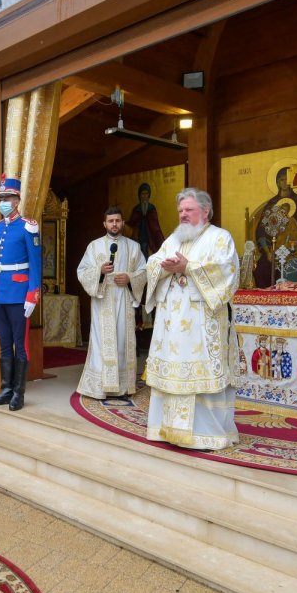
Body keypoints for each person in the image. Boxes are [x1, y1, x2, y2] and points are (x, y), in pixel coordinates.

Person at [143, 188, 240, 450]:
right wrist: (162, 268)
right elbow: (152, 263)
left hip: (201, 322)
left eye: (189, 210)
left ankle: (206, 434)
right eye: (180, 211)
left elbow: (227, 272)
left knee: (202, 374)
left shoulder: (221, 238)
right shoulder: (173, 239)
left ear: (205, 212)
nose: (183, 215)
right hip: (170, 324)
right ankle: (166, 429)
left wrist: (188, 267)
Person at [0, 175, 41, 412]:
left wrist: (32, 295)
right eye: (1, 198)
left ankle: (19, 393)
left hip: (19, 294)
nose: (2, 202)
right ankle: (6, 390)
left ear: (16, 200)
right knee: (4, 343)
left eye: (7, 198)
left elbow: (35, 264)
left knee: (20, 345)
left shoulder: (28, 226)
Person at [76, 207, 147, 399]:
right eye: (110, 221)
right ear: (104, 224)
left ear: (123, 223)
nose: (114, 224)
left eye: (117, 220)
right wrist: (99, 271)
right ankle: (101, 387)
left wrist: (130, 278)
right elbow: (82, 271)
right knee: (102, 343)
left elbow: (144, 271)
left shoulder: (134, 247)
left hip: (124, 298)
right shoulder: (94, 246)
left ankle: (123, 387)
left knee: (123, 341)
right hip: (103, 299)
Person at [127, 183, 165, 258]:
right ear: (139, 195)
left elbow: (155, 225)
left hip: (149, 235)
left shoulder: (151, 208)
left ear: (149, 195)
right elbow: (132, 222)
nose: (144, 196)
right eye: (142, 194)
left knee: (145, 250)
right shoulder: (136, 209)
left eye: (146, 194)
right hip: (138, 235)